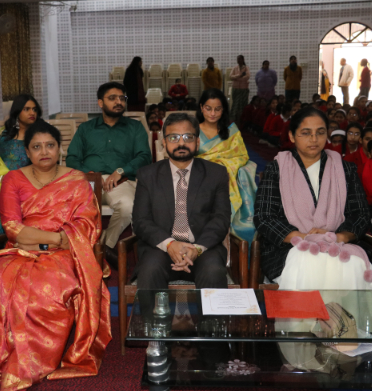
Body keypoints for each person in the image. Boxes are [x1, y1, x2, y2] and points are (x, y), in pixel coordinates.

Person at [0, 121, 111, 391]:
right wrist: (54, 238)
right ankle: (12, 353)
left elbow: (86, 224)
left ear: (60, 149)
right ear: (28, 152)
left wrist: (47, 241)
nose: (44, 152)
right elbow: (12, 228)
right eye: (36, 147)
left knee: (48, 287)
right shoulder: (13, 179)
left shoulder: (76, 180)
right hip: (21, 251)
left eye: (50, 145)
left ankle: (34, 362)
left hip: (65, 254)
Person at [254, 108, 372, 290]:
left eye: (320, 132)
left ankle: (342, 311)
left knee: (348, 264)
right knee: (311, 262)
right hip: (289, 248)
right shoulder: (277, 169)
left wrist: (338, 237)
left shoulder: (345, 169)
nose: (314, 139)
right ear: (292, 136)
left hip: (339, 243)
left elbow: (361, 214)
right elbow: (264, 217)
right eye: (306, 133)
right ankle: (310, 310)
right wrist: (306, 238)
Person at [133, 113, 231, 289]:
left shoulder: (216, 174)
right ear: (164, 143)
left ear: (197, 142)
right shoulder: (147, 175)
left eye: (188, 137)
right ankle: (155, 310)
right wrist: (170, 244)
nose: (181, 143)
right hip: (161, 248)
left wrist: (197, 249)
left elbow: (221, 219)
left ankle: (210, 311)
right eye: (173, 138)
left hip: (203, 248)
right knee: (150, 269)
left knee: (213, 271)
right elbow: (141, 221)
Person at [66, 82, 151, 265]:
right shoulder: (86, 129)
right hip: (89, 181)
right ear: (100, 103)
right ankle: (75, 251)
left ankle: (104, 247)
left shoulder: (135, 127)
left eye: (122, 98)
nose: (118, 102)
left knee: (128, 206)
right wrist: (90, 175)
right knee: (69, 208)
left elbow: (144, 157)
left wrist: (121, 171)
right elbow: (72, 158)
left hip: (120, 182)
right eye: (112, 98)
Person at [0, 95, 41, 241]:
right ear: (17, 112)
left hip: (30, 182)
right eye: (27, 109)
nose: (32, 113)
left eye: (34, 109)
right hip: (2, 181)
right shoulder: (3, 138)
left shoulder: (39, 137)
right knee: (1, 198)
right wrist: (4, 178)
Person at [196, 89, 256, 242]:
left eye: (218, 109)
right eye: (208, 108)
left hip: (226, 176)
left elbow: (242, 156)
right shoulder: (192, 130)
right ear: (201, 107)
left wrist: (222, 165)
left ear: (223, 110)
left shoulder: (231, 132)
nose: (213, 113)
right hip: (199, 177)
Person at [229, 55, 251, 123]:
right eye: (238, 59)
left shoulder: (246, 68)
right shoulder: (235, 68)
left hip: (243, 89)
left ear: (243, 60)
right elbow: (231, 77)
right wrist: (240, 76)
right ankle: (234, 120)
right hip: (235, 89)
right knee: (235, 105)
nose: (239, 61)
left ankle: (243, 120)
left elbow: (247, 77)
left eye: (240, 59)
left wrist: (237, 78)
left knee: (243, 105)